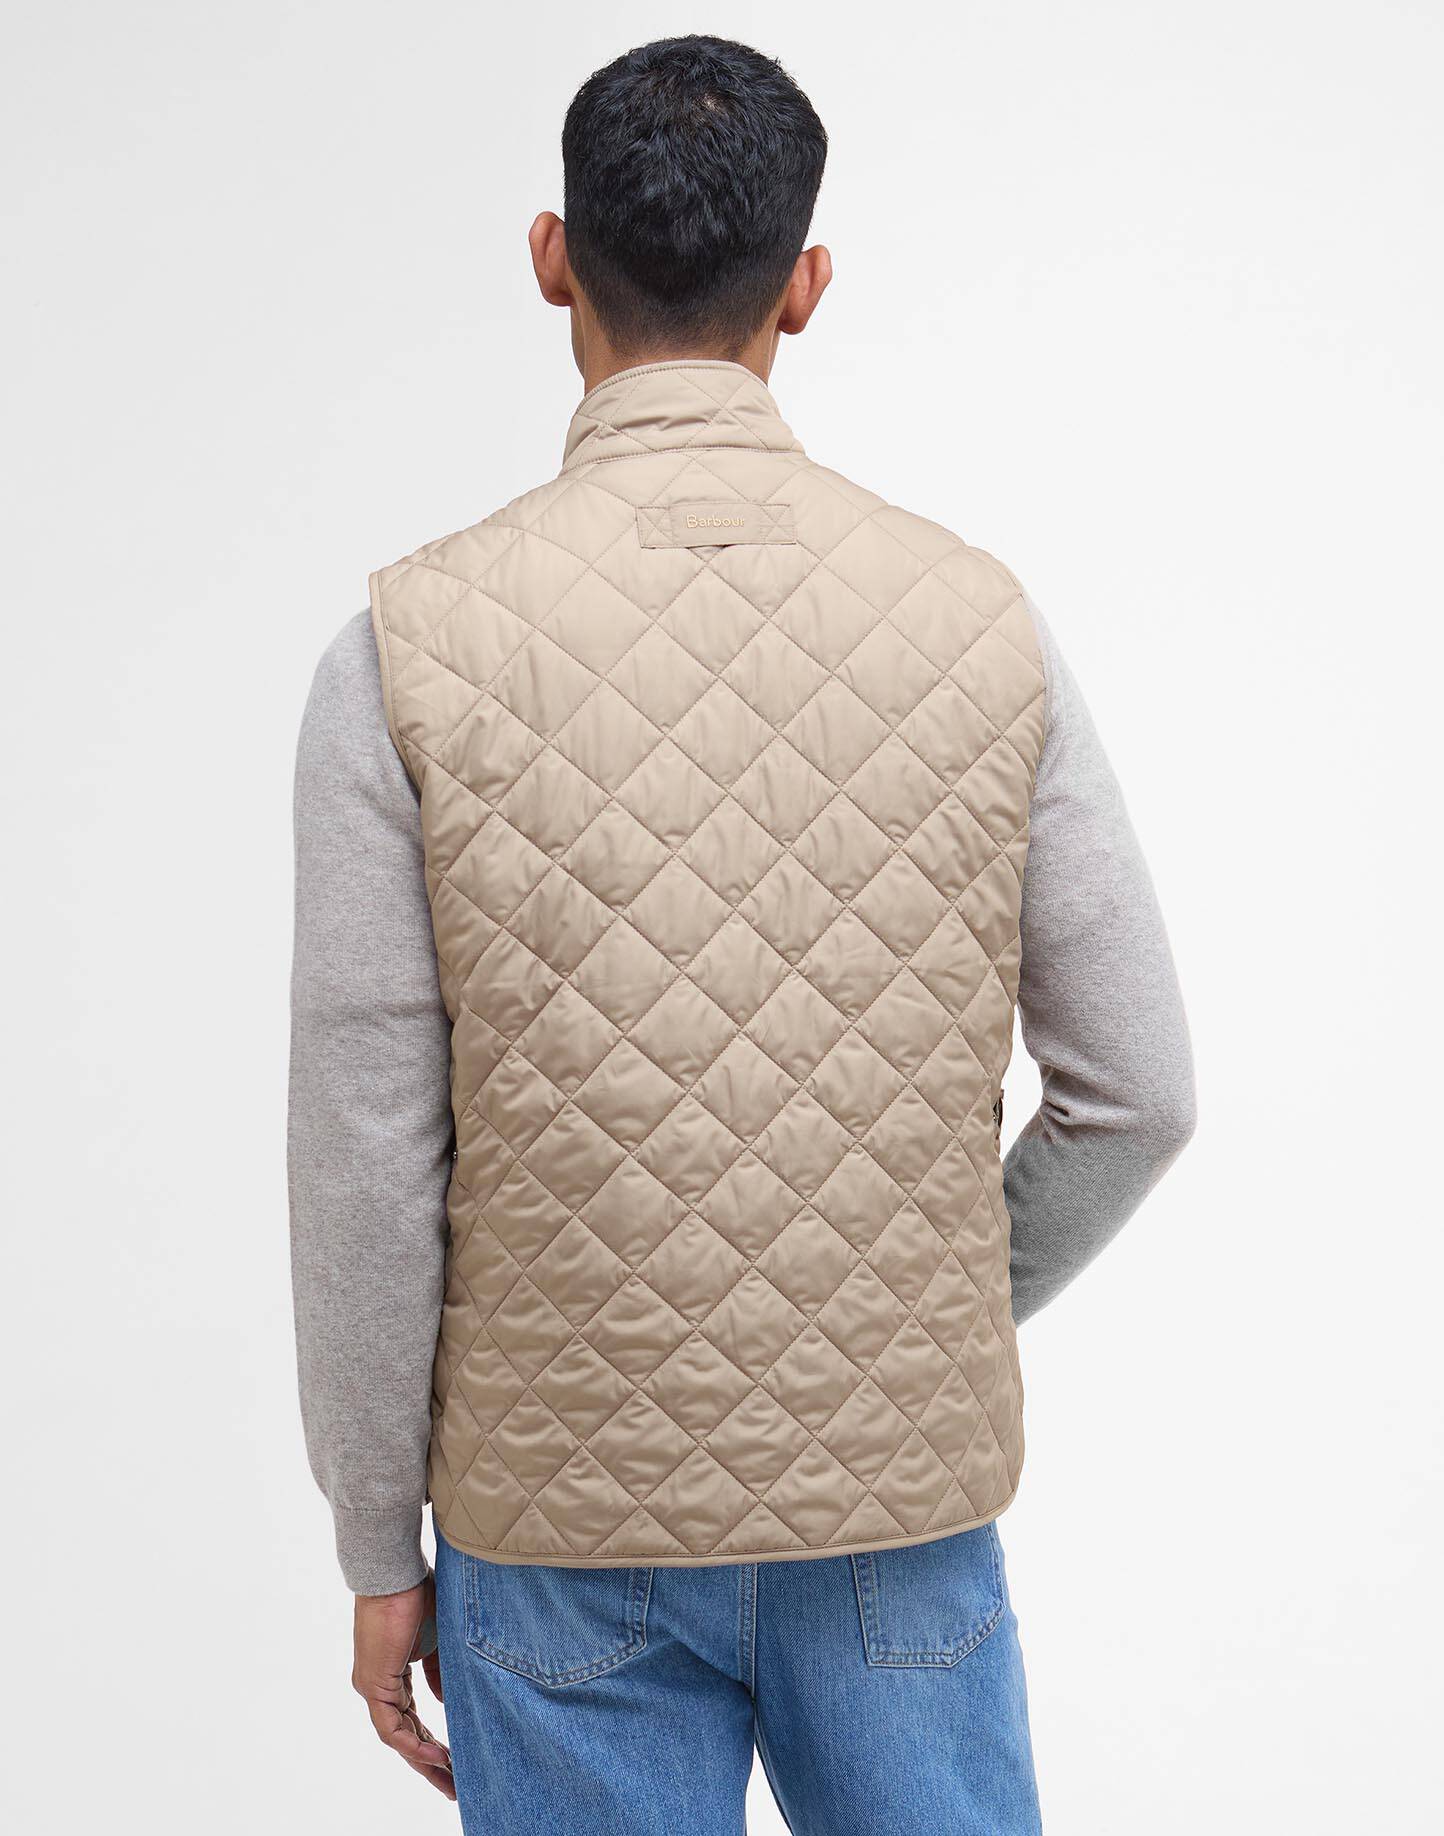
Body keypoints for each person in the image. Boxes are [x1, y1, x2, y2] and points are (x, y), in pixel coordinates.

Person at [289, 34, 1195, 1834]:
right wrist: (907, 1313)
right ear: (808, 284)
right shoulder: (980, 622)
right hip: (896, 1506)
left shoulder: (400, 651)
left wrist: (377, 1541)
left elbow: (368, 1159)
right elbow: (1140, 1093)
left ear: (553, 259)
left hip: (556, 1524)